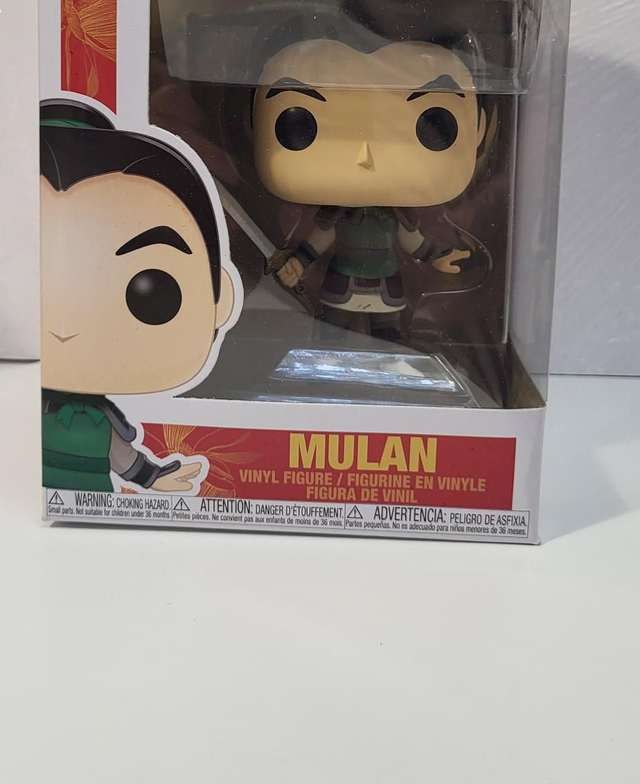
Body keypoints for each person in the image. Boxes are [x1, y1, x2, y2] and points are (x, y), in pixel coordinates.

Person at [40, 99, 235, 493]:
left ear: (221, 301)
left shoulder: (102, 418)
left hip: (94, 501)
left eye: (151, 291)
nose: (68, 327)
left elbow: (125, 461)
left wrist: (155, 480)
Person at [253, 29, 489, 341]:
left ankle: (390, 354)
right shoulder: (337, 216)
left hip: (386, 285)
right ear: (254, 123)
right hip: (341, 283)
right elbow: (317, 242)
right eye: (301, 125)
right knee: (333, 330)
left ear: (480, 128)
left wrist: (439, 258)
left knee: (387, 333)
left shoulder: (397, 217)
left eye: (434, 124)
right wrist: (297, 263)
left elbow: (415, 243)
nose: (364, 158)